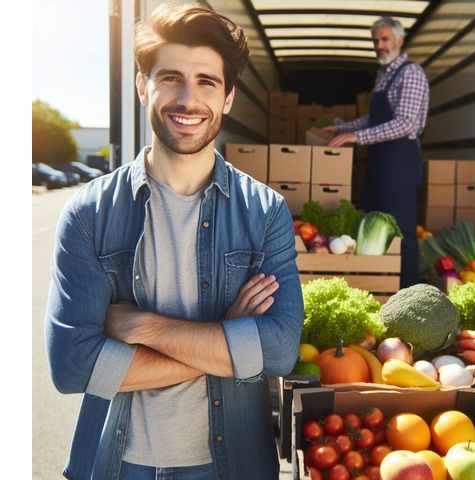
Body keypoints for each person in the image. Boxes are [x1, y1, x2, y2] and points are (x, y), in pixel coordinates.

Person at [44, 3, 304, 479]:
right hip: (118, 464)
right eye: (170, 78)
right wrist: (226, 338)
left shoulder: (264, 212)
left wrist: (142, 326)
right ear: (142, 86)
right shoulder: (88, 214)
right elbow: (74, 367)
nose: (188, 99)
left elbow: (279, 349)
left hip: (229, 466)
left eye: (207, 81)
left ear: (227, 98)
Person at [322, 17, 430, 289]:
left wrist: (357, 137)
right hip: (380, 163)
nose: (379, 45)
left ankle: (406, 291)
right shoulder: (384, 75)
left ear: (399, 40)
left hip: (400, 163)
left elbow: (405, 123)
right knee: (371, 223)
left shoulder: (411, 73)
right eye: (376, 41)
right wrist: (341, 129)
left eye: (384, 39)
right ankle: (375, 286)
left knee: (400, 229)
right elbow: (374, 119)